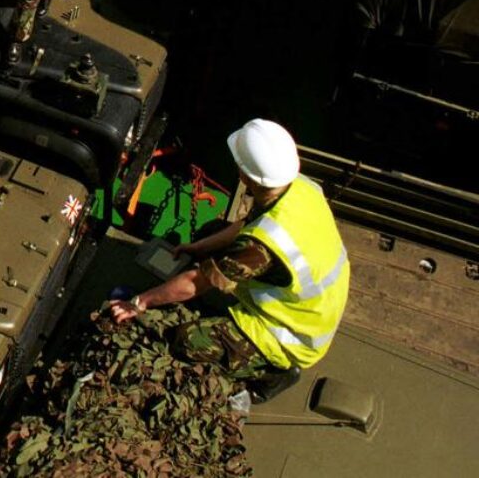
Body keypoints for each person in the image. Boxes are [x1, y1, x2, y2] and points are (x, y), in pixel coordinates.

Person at [109, 119, 350, 398]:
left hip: (290, 337)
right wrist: (198, 248)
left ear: (246, 176)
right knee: (213, 232)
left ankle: (270, 375)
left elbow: (197, 282)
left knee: (187, 341)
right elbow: (247, 224)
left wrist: (139, 303)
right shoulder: (300, 186)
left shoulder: (262, 248)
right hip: (315, 303)